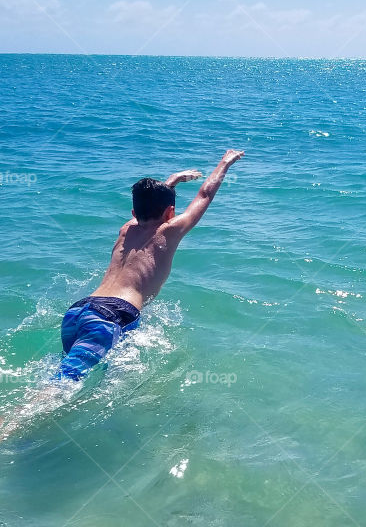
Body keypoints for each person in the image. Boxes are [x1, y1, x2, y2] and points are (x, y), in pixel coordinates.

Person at [55, 148, 244, 381]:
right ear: (171, 212)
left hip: (79, 311)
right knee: (59, 388)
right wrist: (225, 163)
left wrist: (171, 181)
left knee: (69, 377)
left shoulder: (126, 229)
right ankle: (6, 420)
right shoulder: (170, 231)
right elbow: (205, 195)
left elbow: (151, 207)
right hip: (112, 316)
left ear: (134, 212)